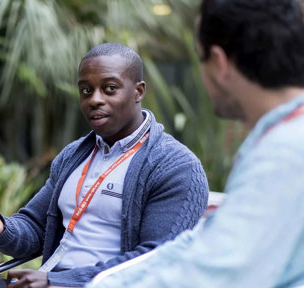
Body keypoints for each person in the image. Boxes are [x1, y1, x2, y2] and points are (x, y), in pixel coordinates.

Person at [85, 1, 304, 288]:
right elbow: (205, 241)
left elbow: (216, 274)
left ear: (219, 62)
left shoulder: (283, 154)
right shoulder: (284, 139)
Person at [0, 43, 209, 288]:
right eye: (86, 91)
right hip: (46, 282)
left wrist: (57, 282)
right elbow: (34, 229)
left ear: (138, 91)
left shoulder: (176, 167)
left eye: (110, 88)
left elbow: (154, 261)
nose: (94, 100)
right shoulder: (73, 156)